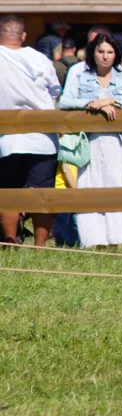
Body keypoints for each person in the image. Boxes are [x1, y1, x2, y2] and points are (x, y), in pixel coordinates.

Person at [59, 33, 122, 248]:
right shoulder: (79, 73)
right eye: (101, 51)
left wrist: (112, 100)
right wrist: (93, 102)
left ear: (116, 54)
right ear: (93, 52)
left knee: (118, 184)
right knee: (91, 185)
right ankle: (93, 240)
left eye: (110, 52)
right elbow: (66, 100)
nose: (105, 56)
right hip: (90, 140)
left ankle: (117, 238)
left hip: (121, 142)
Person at [0, 14, 61, 246]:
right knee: (42, 194)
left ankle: (9, 240)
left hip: (8, 139)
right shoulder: (40, 59)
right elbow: (55, 91)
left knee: (8, 191)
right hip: (42, 138)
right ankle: (40, 247)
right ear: (23, 36)